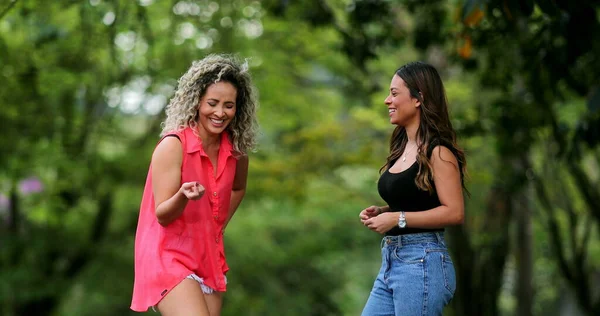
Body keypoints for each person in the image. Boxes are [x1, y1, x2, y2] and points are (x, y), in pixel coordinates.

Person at [130, 54, 259, 315]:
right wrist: (183, 196)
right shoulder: (173, 146)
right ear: (197, 101)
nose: (220, 113)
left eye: (229, 105)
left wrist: (217, 224)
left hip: (208, 255)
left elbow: (238, 188)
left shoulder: (236, 152)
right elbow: (163, 215)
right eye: (212, 103)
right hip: (168, 254)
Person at [359, 61, 467, 316]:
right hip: (392, 261)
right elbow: (421, 199)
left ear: (418, 98)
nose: (387, 100)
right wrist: (384, 211)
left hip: (422, 262)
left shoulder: (439, 151)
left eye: (395, 93)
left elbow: (454, 212)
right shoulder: (401, 149)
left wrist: (397, 218)